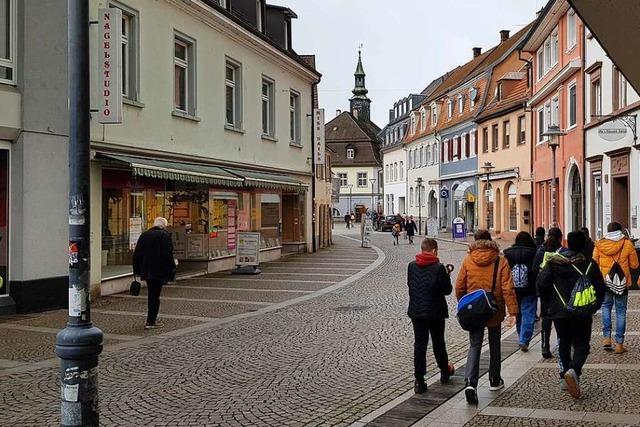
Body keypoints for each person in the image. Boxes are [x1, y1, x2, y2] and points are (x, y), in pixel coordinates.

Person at [536, 231, 606, 398]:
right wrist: (594, 306)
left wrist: (548, 304)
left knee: (564, 342)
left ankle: (565, 374)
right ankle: (574, 370)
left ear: (567, 243)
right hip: (582, 312)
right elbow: (600, 288)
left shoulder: (554, 263)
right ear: (583, 245)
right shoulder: (589, 264)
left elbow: (541, 283)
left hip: (560, 312)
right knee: (582, 345)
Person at [456, 229, 518, 405]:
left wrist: (464, 304)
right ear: (489, 240)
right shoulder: (500, 260)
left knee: (475, 345)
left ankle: (470, 383)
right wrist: (513, 312)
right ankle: (494, 380)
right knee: (494, 344)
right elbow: (508, 288)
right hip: (494, 308)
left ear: (475, 241)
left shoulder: (468, 260)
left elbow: (459, 286)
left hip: (474, 309)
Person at [407, 238, 456, 394]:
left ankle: (419, 381)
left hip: (417, 312)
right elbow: (447, 290)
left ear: (422, 250)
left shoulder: (411, 266)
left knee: (420, 345)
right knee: (438, 343)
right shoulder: (439, 268)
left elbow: (411, 285)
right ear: (434, 250)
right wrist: (447, 274)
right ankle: (444, 371)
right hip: (435, 312)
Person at [593, 221, 639, 354]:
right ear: (621, 231)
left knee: (606, 307)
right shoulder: (627, 243)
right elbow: (635, 265)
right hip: (622, 283)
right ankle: (619, 344)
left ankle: (607, 338)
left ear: (607, 231)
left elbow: (594, 263)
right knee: (620, 311)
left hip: (605, 281)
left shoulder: (599, 244)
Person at [133, 217, 176, 330]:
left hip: (146, 270)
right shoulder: (164, 236)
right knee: (155, 295)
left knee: (152, 294)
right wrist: (171, 270)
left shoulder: (144, 235)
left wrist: (136, 270)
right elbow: (168, 255)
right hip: (158, 270)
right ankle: (151, 321)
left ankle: (151, 319)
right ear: (164, 226)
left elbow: (137, 254)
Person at [504, 231, 539, 352]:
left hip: (514, 289)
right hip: (530, 288)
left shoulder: (508, 254)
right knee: (528, 313)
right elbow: (537, 271)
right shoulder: (534, 253)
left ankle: (521, 337)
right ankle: (524, 339)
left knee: (517, 313)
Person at [532, 227, 564, 359]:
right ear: (560, 238)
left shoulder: (541, 251)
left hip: (545, 289)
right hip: (559, 289)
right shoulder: (562, 252)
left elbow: (534, 269)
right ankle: (561, 344)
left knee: (546, 317)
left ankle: (545, 346)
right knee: (559, 317)